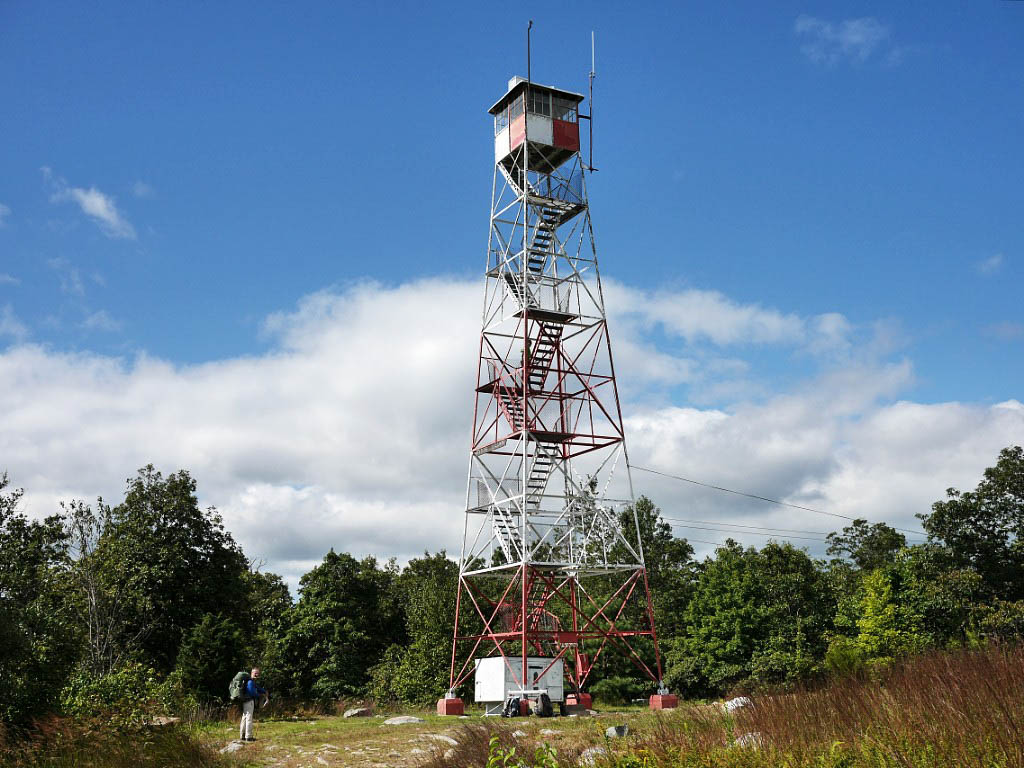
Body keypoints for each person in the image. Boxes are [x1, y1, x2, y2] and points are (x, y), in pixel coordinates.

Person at [239, 667, 269, 742]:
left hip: (245, 701)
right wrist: (260, 696)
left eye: (258, 673)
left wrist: (264, 691)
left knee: (245, 717)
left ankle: (242, 735)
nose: (257, 675)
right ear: (251, 673)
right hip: (249, 701)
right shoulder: (250, 682)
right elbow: (252, 692)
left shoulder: (250, 681)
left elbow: (257, 687)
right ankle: (248, 737)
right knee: (249, 718)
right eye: (255, 673)